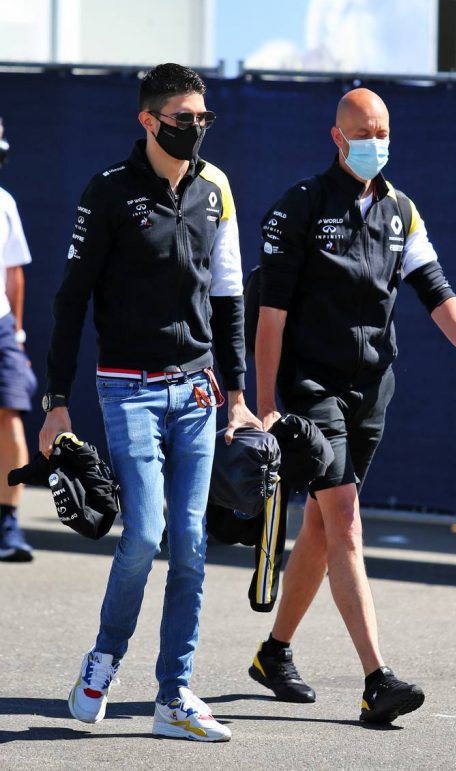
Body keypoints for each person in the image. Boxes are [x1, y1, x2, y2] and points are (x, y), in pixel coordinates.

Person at [249, 88, 456, 724]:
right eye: (364, 133)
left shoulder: (401, 210)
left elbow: (434, 287)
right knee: (346, 520)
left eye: (383, 131)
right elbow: (270, 316)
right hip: (312, 389)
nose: (376, 143)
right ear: (337, 138)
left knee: (321, 524)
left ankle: (273, 653)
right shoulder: (301, 206)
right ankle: (376, 680)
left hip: (371, 389)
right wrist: (265, 406)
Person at [39, 63, 260, 742]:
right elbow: (71, 299)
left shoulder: (216, 188)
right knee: (142, 533)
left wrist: (238, 397)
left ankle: (174, 695)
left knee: (190, 543)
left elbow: (229, 298)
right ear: (148, 120)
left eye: (203, 118)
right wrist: (55, 403)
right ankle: (104, 659)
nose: (196, 128)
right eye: (183, 118)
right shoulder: (107, 190)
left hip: (197, 390)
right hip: (126, 385)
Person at [0, 117, 37, 563]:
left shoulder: (4, 203)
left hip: (2, 327)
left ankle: (7, 521)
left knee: (9, 415)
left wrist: (19, 335)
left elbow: (13, 273)